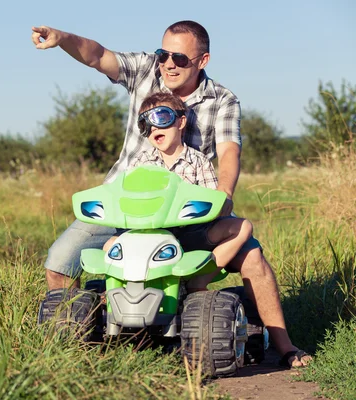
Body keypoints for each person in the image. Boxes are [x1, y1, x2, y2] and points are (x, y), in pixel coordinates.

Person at [31, 20, 310, 368]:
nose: (169, 63)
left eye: (180, 57)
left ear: (202, 61)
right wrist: (62, 39)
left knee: (251, 255)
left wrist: (223, 194)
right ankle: (78, 352)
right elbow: (98, 55)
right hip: (125, 206)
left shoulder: (221, 100)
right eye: (165, 54)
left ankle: (282, 346)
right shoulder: (146, 69)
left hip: (188, 210)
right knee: (61, 260)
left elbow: (228, 153)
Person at [103, 92, 253, 292]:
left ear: (181, 122)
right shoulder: (141, 163)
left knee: (243, 227)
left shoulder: (199, 162)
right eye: (144, 124)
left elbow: (212, 202)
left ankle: (199, 282)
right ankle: (120, 290)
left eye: (161, 117)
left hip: (191, 234)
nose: (153, 127)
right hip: (149, 235)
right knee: (110, 244)